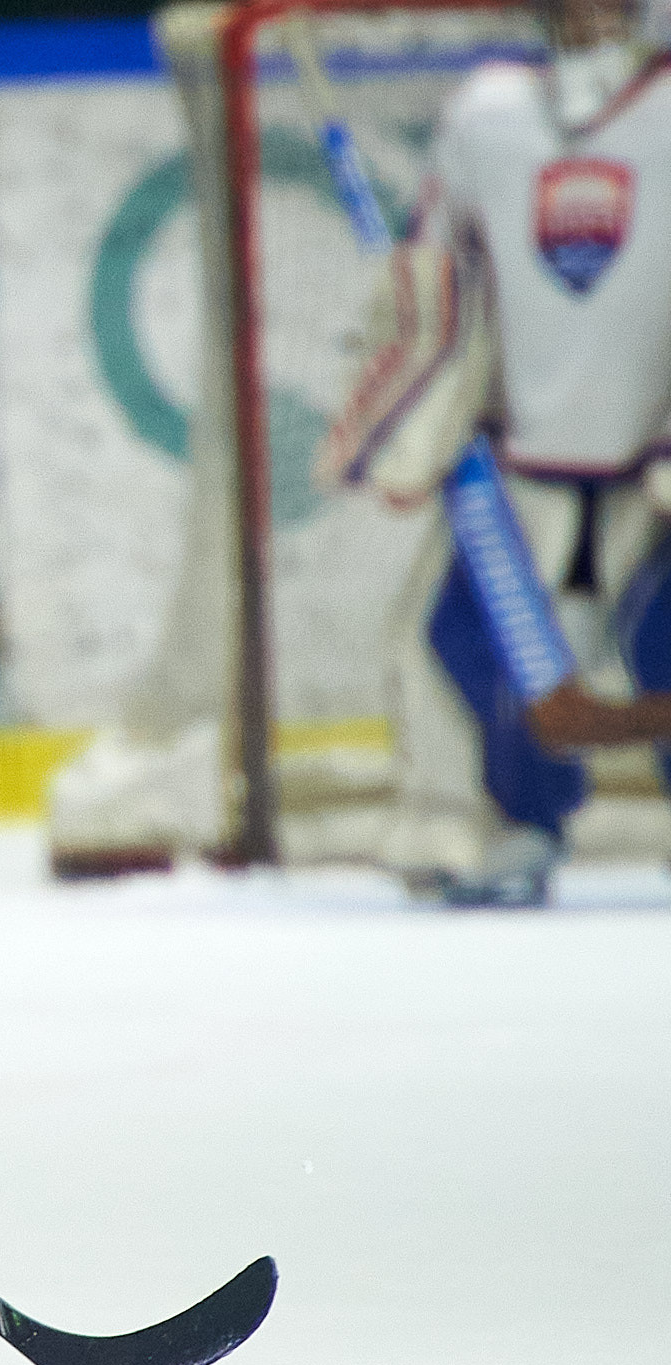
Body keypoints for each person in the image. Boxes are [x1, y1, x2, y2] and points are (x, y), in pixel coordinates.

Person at [324, 0, 671, 905]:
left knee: (660, 644)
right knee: (442, 648)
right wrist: (407, 413)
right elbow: (435, 292)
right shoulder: (488, 118)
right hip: (524, 475)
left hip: (658, 472)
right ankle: (488, 825)